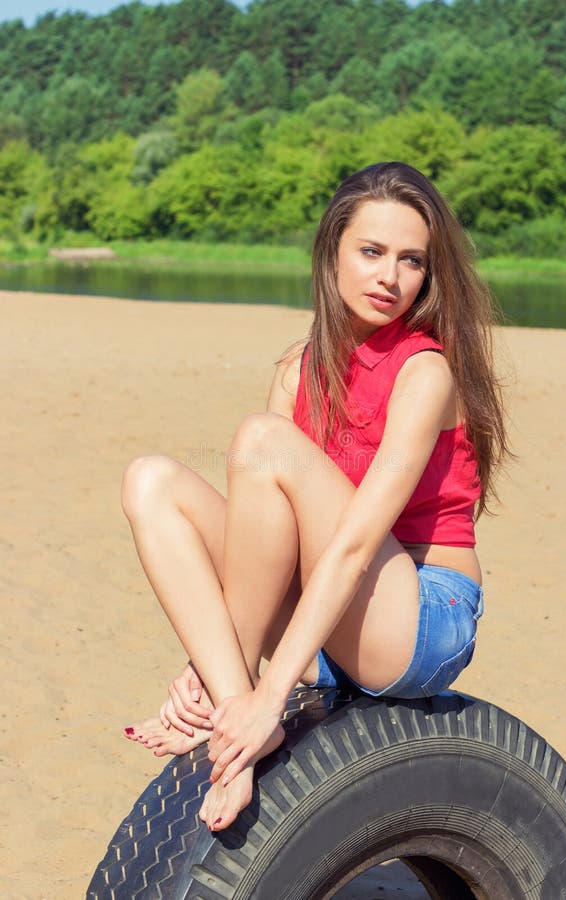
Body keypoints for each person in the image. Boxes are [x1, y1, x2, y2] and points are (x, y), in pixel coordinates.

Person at [122, 162, 509, 832]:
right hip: (329, 620)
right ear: (332, 252)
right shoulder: (297, 370)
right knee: (151, 481)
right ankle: (228, 697)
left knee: (263, 441)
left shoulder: (426, 372)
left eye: (410, 260)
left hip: (417, 616)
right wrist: (212, 664)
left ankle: (242, 703)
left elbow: (355, 544)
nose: (389, 277)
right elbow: (261, 543)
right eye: (371, 252)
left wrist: (275, 695)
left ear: (428, 274)